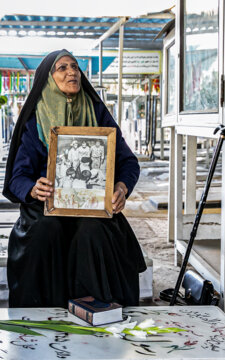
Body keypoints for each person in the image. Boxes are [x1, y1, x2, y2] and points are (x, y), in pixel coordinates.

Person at [3, 49, 146, 308]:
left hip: (92, 208)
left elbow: (128, 162)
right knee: (47, 231)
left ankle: (98, 314)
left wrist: (121, 188)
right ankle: (45, 315)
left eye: (75, 67)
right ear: (48, 78)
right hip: (46, 208)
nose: (72, 72)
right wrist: (34, 189)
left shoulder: (97, 113)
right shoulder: (35, 120)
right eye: (62, 68)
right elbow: (17, 178)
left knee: (94, 232)